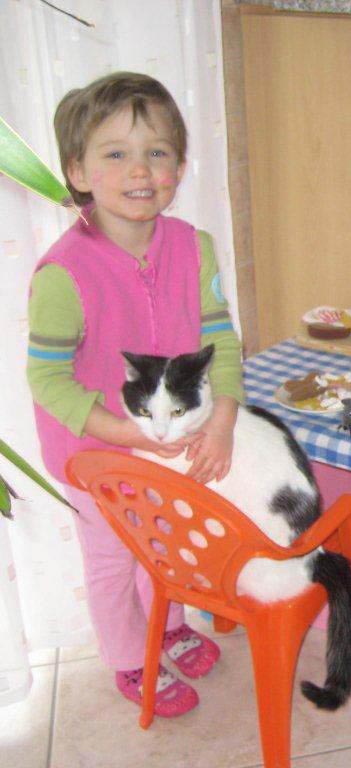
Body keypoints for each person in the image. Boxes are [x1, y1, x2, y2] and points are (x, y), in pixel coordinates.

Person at [26, 72, 244, 718]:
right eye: (116, 153)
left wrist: (223, 419)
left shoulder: (194, 247)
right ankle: (129, 657)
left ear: (180, 165)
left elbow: (220, 341)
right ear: (79, 171)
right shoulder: (64, 271)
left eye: (157, 151)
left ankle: (168, 625)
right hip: (95, 451)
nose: (140, 169)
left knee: (165, 540)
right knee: (116, 557)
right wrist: (123, 433)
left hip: (169, 438)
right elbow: (46, 379)